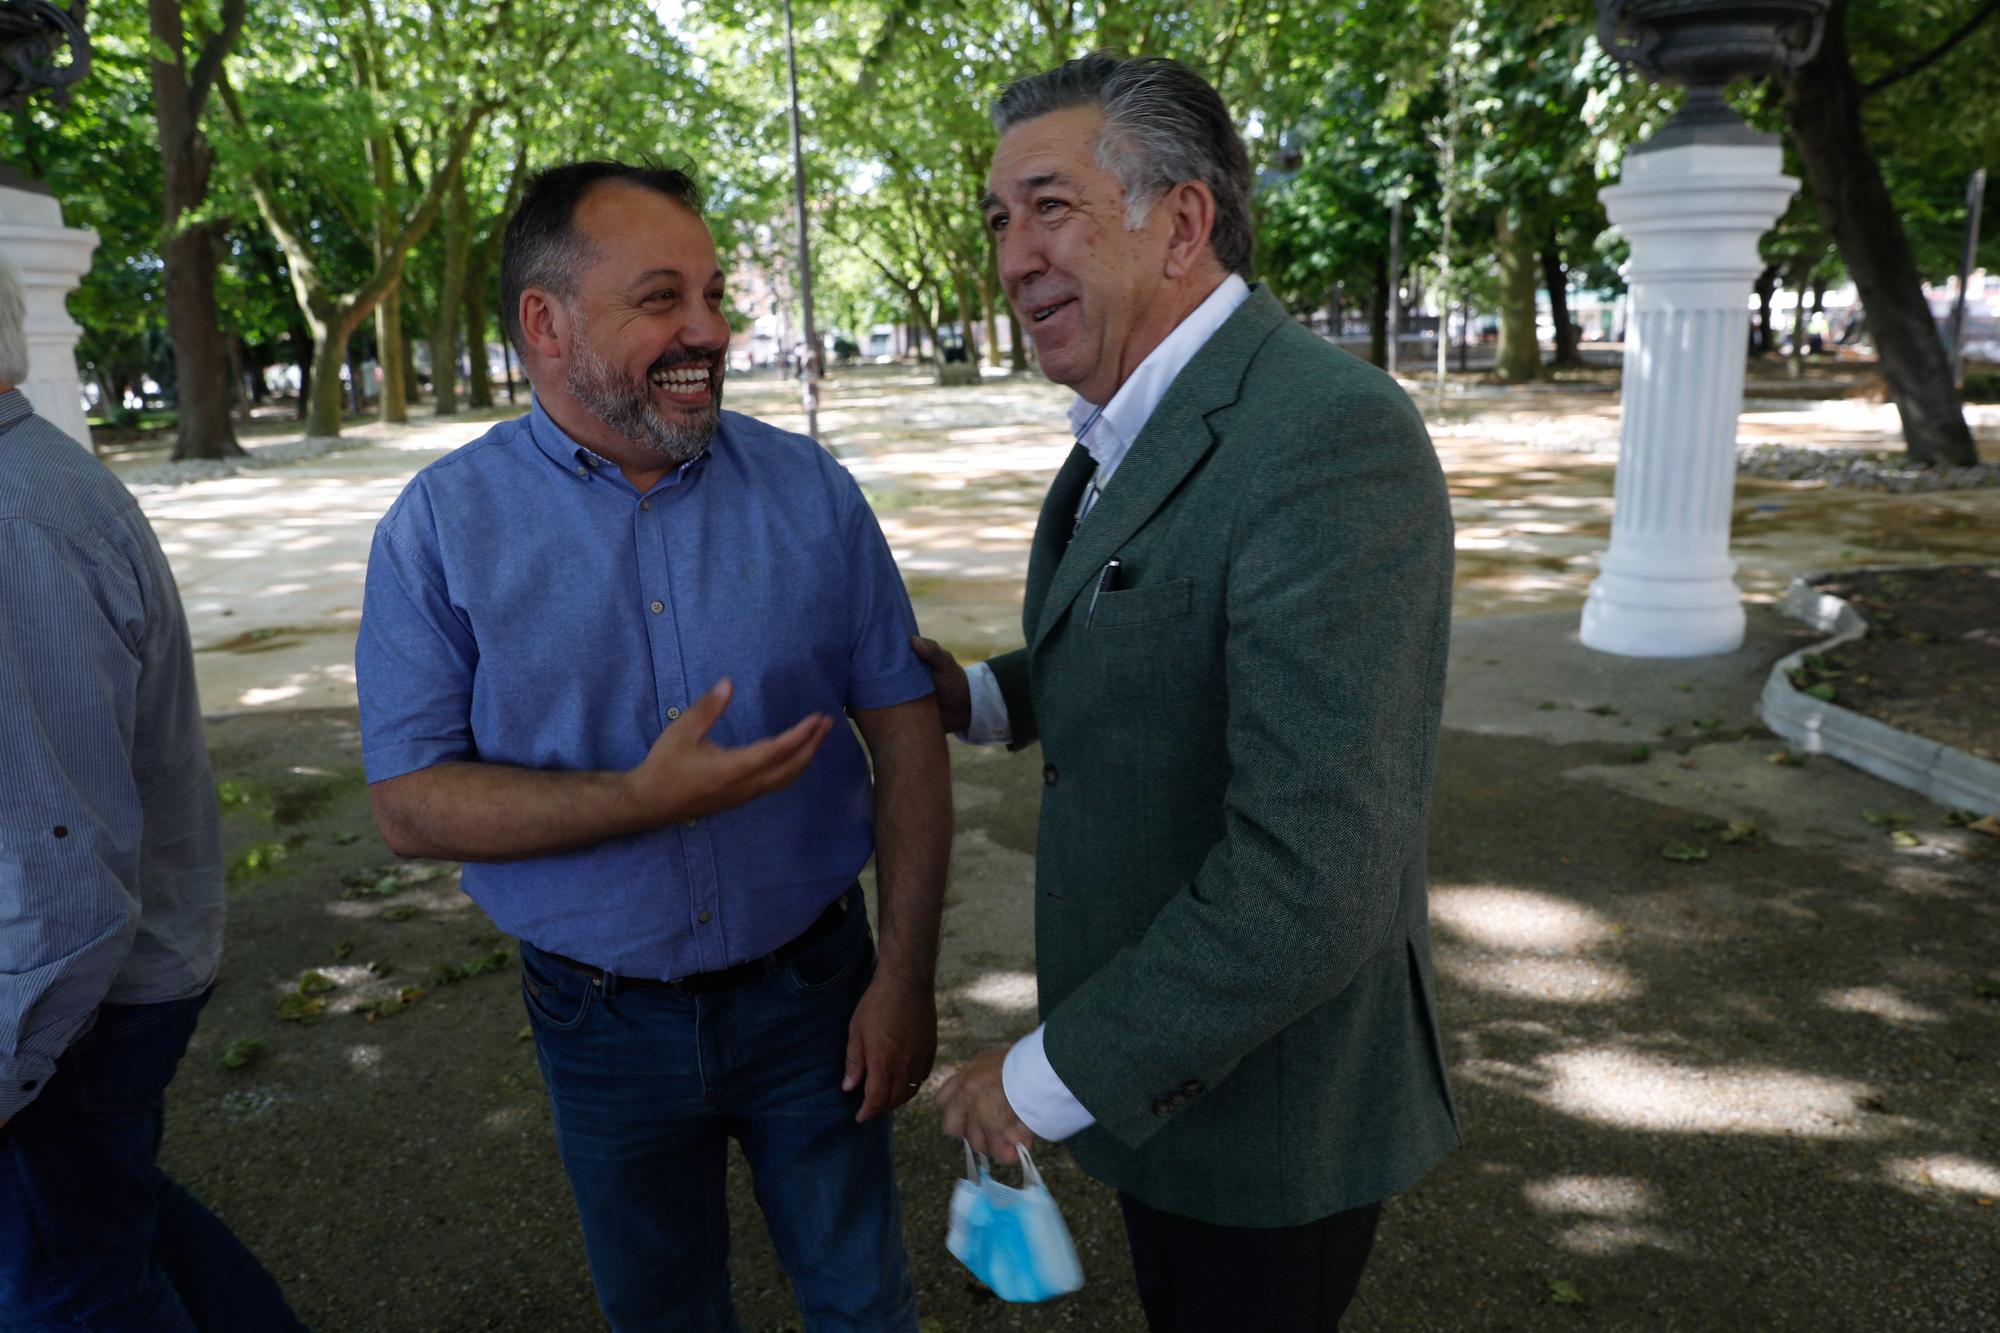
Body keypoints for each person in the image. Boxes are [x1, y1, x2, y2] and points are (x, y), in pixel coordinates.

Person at [354, 160, 947, 1332]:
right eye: (662, 299)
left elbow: (909, 739)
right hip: (597, 1020)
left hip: (817, 995)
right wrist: (638, 798)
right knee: (662, 1312)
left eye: (716, 296)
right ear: (546, 322)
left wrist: (905, 980)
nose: (711, 333)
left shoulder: (813, 494)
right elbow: (410, 805)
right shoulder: (439, 529)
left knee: (860, 1299)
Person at [923, 54, 1461, 1330]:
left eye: (1049, 206)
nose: (1011, 257)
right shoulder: (1131, 418)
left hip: (1267, 1115)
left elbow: (1311, 875)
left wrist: (1046, 1078)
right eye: (999, 219)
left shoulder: (1324, 435)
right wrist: (979, 701)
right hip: (1172, 1076)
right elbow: (1156, 632)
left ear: (1180, 221)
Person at [0, 261, 302, 1330]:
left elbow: (56, 871)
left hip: (65, 1016)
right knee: (108, 1222)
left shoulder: (13, 520)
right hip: (92, 1001)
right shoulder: (32, 483)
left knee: (74, 1288)